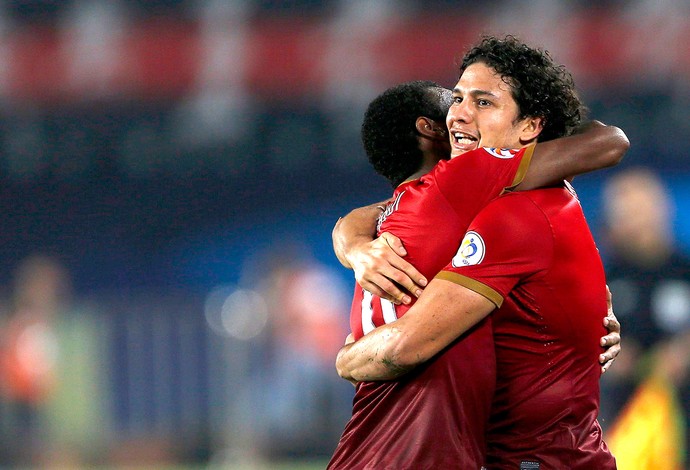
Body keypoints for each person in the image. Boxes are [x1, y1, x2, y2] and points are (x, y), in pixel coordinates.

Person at [328, 36, 626, 469]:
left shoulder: (511, 210)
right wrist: (353, 245)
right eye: (457, 99)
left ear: (530, 126)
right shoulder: (472, 200)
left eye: (483, 102)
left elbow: (406, 346)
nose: (460, 114)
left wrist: (347, 356)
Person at [598, 167, 690, 464]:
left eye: (642, 209)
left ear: (664, 208)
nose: (637, 221)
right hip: (624, 422)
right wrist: (609, 355)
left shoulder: (685, 271)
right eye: (626, 212)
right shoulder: (602, 280)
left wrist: (683, 353)